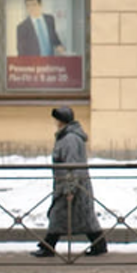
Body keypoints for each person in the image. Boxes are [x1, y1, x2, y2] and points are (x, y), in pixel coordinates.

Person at [32, 107, 106, 257]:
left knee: (59, 214)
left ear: (62, 121)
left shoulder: (70, 139)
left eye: (57, 119)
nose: (56, 123)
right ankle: (99, 245)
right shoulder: (67, 136)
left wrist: (70, 188)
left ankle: (48, 246)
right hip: (70, 183)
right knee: (83, 218)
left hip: (71, 184)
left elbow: (72, 165)